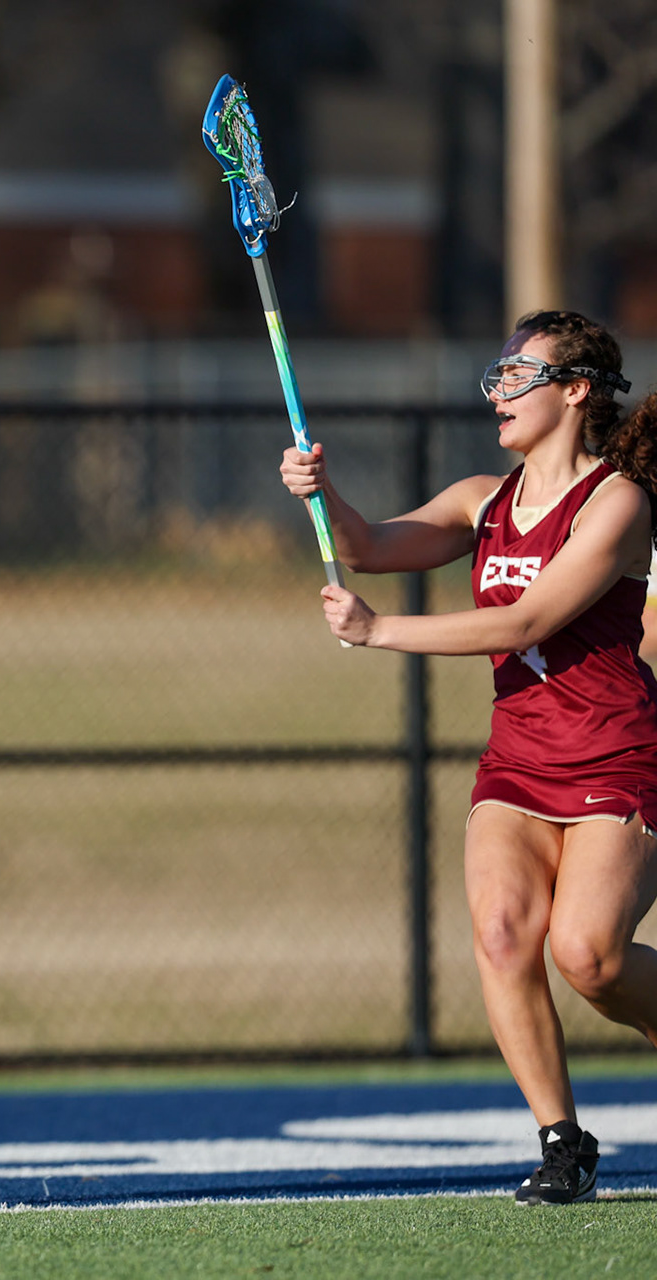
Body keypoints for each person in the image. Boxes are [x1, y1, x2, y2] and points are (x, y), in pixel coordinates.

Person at [280, 309, 657, 1206]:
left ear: (576, 392)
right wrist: (320, 492)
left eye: (520, 375)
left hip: (613, 757)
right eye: (497, 373)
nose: (500, 391)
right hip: (518, 766)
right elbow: (369, 548)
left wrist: (380, 635)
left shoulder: (619, 502)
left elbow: (529, 621)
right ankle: (562, 1141)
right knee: (500, 936)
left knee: (591, 956)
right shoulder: (481, 499)